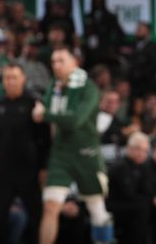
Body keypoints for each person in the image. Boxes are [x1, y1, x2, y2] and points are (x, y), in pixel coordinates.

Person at [32, 46, 112, 244]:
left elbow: (75, 121)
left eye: (61, 61)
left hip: (87, 153)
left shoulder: (89, 87)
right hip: (61, 153)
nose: (56, 65)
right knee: (50, 206)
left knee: (97, 209)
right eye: (53, 61)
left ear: (74, 62)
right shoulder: (54, 85)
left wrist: (45, 114)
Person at [0, 64, 51, 244]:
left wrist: (44, 167)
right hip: (3, 171)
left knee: (36, 217)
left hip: (30, 171)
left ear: (23, 79)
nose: (11, 82)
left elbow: (45, 141)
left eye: (14, 77)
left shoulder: (34, 104)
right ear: (2, 81)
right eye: (7, 78)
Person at [107, 132, 154, 243]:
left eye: (145, 151)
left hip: (133, 204)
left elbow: (148, 191)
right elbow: (128, 194)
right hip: (116, 206)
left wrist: (154, 200)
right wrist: (153, 200)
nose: (142, 154)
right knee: (143, 208)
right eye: (138, 149)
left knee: (154, 209)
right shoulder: (119, 166)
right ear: (129, 148)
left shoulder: (143, 166)